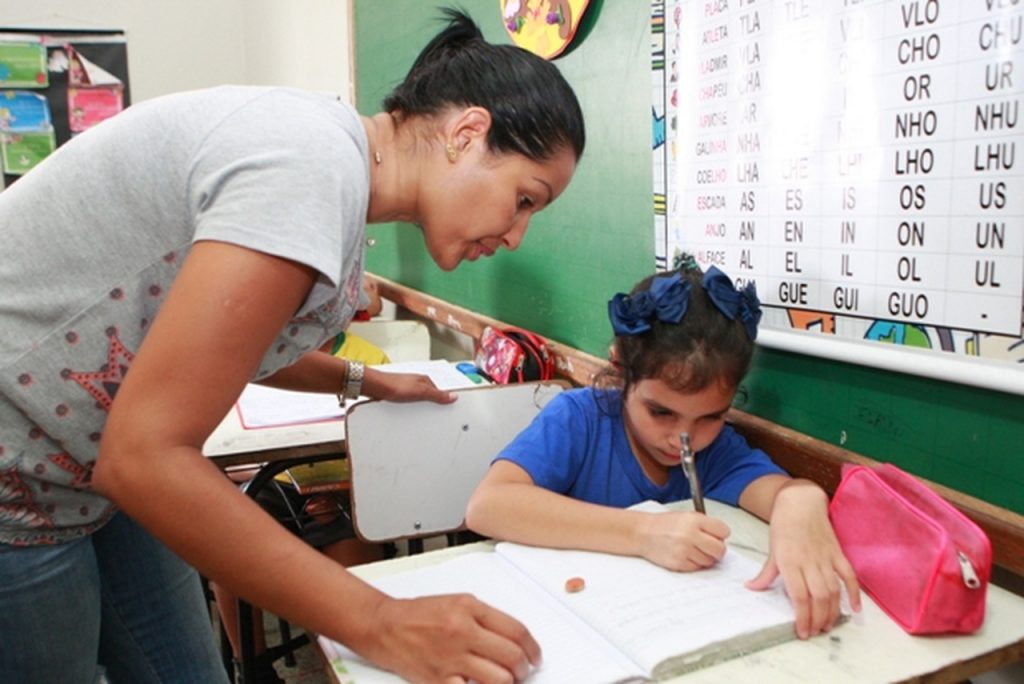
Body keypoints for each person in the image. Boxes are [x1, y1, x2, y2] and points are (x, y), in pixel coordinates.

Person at [0, 7, 584, 683]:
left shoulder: (326, 161)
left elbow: (227, 340)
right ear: (466, 132)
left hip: (89, 470)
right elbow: (145, 456)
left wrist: (369, 382)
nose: (516, 236)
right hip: (20, 477)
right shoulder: (307, 167)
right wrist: (381, 621)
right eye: (525, 199)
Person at [465, 259, 861, 641]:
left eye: (710, 417)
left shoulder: (717, 451)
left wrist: (801, 500)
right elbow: (488, 506)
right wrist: (643, 533)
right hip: (567, 626)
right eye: (661, 412)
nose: (683, 438)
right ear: (621, 371)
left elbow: (780, 493)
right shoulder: (579, 419)